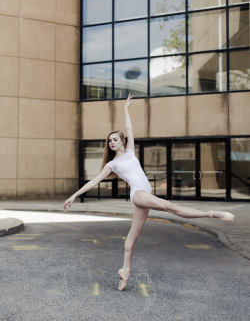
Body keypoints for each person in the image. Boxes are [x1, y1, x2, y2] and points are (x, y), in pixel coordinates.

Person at [63, 94, 234, 291]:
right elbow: (94, 180)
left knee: (132, 237)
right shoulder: (112, 164)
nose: (111, 142)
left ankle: (124, 272)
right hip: (138, 195)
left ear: (122, 141)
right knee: (171, 208)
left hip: (142, 197)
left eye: (115, 139)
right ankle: (213, 214)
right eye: (109, 140)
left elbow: (130, 129)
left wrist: (126, 109)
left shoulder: (130, 152)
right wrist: (74, 195)